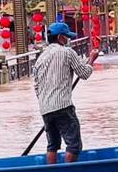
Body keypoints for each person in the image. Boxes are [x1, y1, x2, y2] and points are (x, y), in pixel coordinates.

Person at [33, 21, 98, 164]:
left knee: (52, 145)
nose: (68, 40)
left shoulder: (40, 58)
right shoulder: (67, 52)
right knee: (74, 145)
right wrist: (92, 60)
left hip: (45, 108)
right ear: (60, 38)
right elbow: (84, 73)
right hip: (63, 106)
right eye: (66, 37)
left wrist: (46, 102)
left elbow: (36, 86)